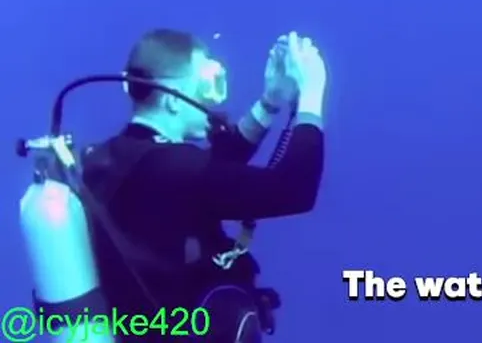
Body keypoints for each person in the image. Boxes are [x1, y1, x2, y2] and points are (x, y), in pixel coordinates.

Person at [80, 30, 328, 343]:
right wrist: (312, 94)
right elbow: (294, 190)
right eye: (205, 88)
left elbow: (212, 171)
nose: (212, 100)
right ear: (173, 99)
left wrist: (270, 102)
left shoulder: (113, 158)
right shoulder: (176, 169)